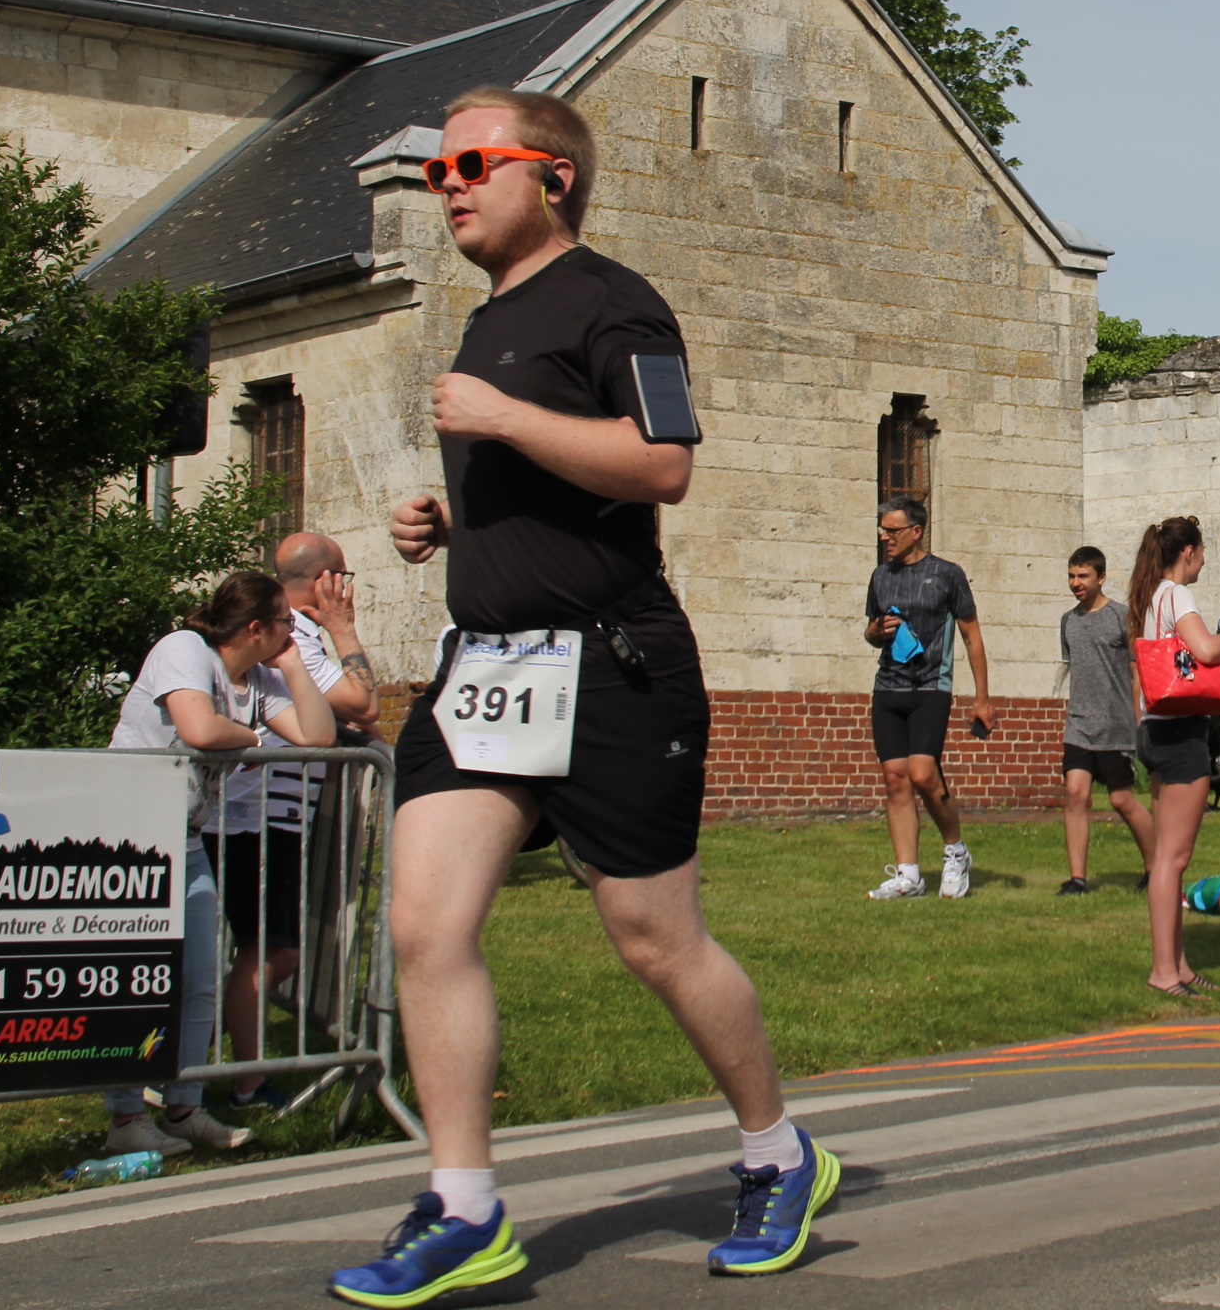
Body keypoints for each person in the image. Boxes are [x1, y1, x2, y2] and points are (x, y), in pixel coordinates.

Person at [340, 88, 835, 1304]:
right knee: (425, 925)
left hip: (611, 665)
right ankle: (465, 1207)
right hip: (487, 668)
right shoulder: (485, 321)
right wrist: (449, 518)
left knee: (655, 939)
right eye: (438, 170)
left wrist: (502, 418)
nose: (447, 186)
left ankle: (779, 1154)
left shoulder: (616, 302)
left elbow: (662, 464)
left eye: (471, 164)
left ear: (552, 175)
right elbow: (552, 486)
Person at [105, 571, 335, 1157]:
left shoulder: (260, 678)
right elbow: (199, 727)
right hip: (128, 837)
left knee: (201, 981)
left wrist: (293, 666)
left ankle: (184, 1109)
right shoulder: (184, 649)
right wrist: (254, 741)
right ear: (255, 627)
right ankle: (125, 1117)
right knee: (138, 981)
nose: (292, 632)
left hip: (184, 839)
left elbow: (318, 735)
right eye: (284, 624)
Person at [219, 533, 382, 1111]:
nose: (348, 588)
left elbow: (338, 725)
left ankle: (220, 1063)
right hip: (262, 817)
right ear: (324, 581)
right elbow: (364, 703)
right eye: (345, 576)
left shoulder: (291, 637)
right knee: (272, 952)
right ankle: (237, 1077)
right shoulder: (298, 639)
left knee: (268, 949)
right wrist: (343, 629)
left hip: (277, 815)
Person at [1127, 516, 1220, 997]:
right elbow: (1206, 652)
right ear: (1188, 552)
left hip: (1154, 728)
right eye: (1202, 552)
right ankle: (1164, 972)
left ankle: (1178, 965)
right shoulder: (1178, 595)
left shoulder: (1148, 596)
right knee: (1172, 859)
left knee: (1169, 858)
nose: (1204, 561)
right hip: (1182, 733)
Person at [863, 496, 993, 900]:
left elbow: (972, 636)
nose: (885, 537)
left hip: (930, 688)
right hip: (888, 688)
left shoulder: (947, 574)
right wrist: (876, 632)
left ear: (916, 531)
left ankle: (956, 852)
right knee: (895, 780)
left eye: (892, 530)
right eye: (882, 530)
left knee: (922, 773)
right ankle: (909, 876)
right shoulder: (880, 576)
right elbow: (871, 632)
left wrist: (982, 698)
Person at [1058, 545, 1154, 895]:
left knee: (1121, 800)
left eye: (1083, 576)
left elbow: (1137, 673)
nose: (1076, 582)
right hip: (1079, 724)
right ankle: (1077, 879)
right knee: (1075, 793)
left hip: (1116, 724)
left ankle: (1156, 867)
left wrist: (1139, 719)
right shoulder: (1068, 621)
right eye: (1072, 576)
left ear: (1101, 577)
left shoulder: (1122, 617)